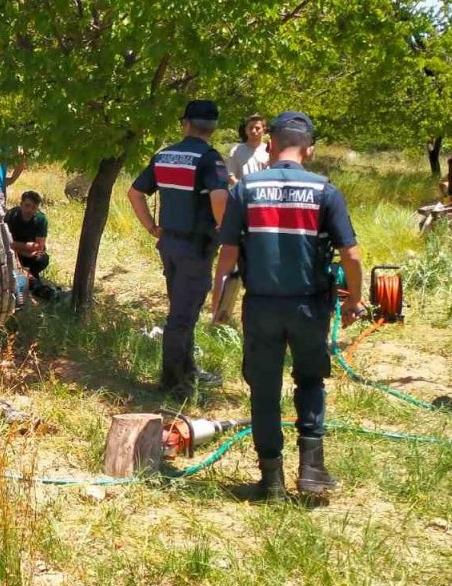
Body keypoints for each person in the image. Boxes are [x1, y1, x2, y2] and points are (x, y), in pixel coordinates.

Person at [210, 111, 363, 501]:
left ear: (271, 146)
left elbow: (228, 252)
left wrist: (219, 303)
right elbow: (352, 255)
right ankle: (312, 471)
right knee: (310, 381)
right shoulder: (325, 191)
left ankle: (271, 481)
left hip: (261, 307)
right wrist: (355, 301)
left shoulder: (246, 189)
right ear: (309, 150)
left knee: (263, 389)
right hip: (310, 309)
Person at [126, 100, 230, 396]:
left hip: (169, 242)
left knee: (184, 309)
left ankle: (188, 369)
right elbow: (220, 198)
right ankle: (172, 383)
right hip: (196, 247)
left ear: (185, 124)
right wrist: (227, 233)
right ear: (213, 128)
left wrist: (151, 227)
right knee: (181, 317)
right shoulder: (210, 159)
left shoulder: (164, 156)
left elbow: (134, 193)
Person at [5, 190, 50, 294]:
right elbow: (5, 241)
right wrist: (23, 250)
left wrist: (14, 245)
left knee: (42, 259)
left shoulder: (41, 219)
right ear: (21, 205)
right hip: (15, 253)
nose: (29, 210)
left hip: (30, 254)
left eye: (34, 207)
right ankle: (31, 281)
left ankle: (29, 276)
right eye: (27, 205)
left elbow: (39, 246)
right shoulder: (12, 215)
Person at [226, 114, 269, 184]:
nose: (253, 131)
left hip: (264, 193)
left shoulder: (269, 151)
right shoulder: (236, 150)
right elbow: (230, 175)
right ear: (246, 130)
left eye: (257, 128)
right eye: (251, 128)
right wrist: (243, 188)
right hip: (243, 193)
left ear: (264, 130)